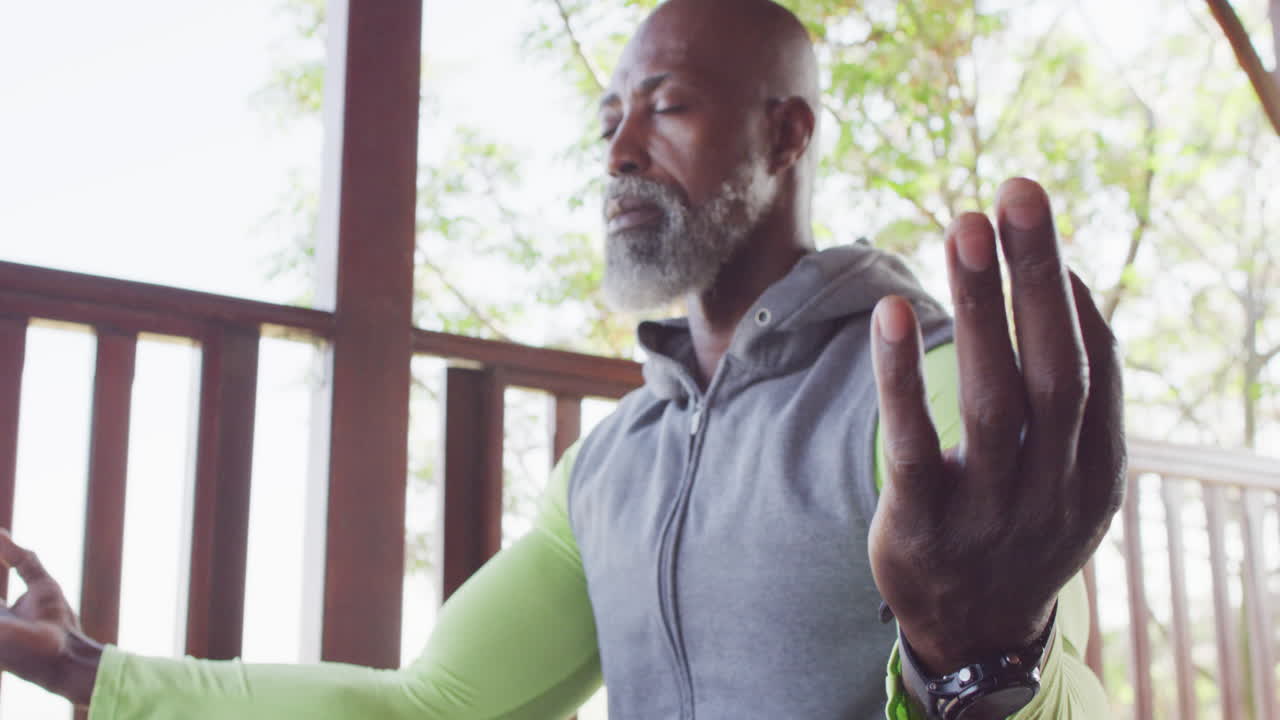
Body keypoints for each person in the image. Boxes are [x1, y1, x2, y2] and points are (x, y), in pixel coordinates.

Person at [0, 0, 1121, 718]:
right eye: (608, 121)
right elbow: (432, 707)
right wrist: (91, 670)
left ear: (786, 135)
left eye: (667, 106)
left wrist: (981, 659)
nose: (620, 152)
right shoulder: (609, 467)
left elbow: (1063, 685)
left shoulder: (913, 385)